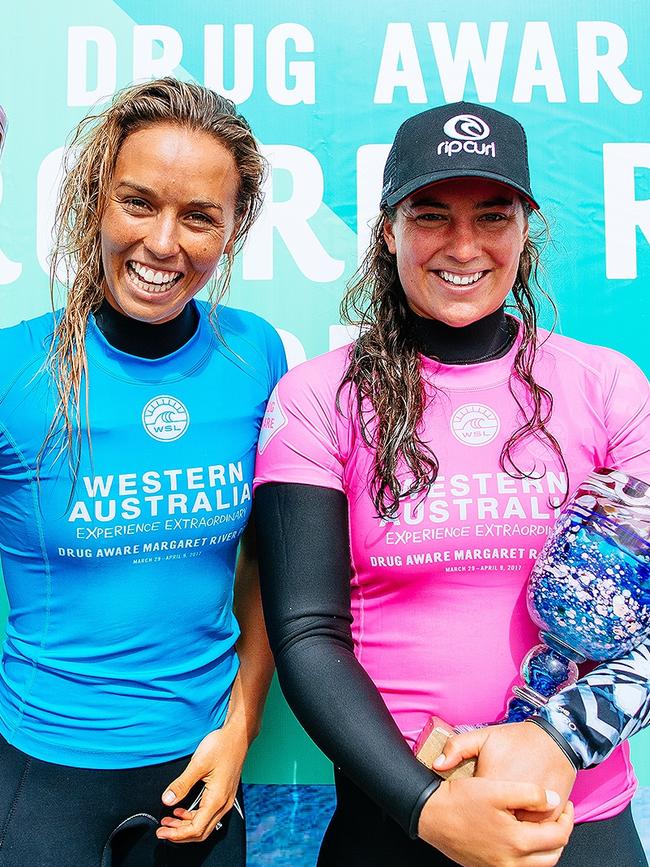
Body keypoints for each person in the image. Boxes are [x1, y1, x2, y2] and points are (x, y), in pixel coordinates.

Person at [253, 101, 650, 867]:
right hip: (393, 821)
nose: (463, 246)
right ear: (388, 231)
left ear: (524, 230)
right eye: (431, 215)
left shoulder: (608, 386)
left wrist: (556, 741)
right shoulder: (317, 396)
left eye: (493, 216)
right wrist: (426, 804)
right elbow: (307, 630)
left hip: (575, 820)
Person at [0, 78, 286, 866]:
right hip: (42, 781)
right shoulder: (12, 370)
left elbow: (268, 562)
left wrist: (240, 730)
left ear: (232, 230)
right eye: (138, 202)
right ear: (95, 201)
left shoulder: (254, 353)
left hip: (199, 778)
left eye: (200, 216)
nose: (165, 243)